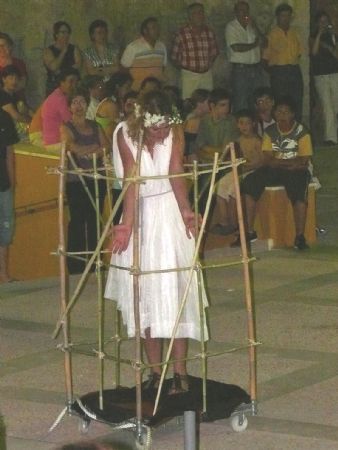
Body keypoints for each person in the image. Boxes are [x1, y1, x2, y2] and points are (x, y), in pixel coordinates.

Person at [104, 90, 208, 393]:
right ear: (142, 123)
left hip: (168, 213)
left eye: (165, 127)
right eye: (156, 129)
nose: (162, 133)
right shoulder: (125, 134)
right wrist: (126, 225)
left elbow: (176, 171)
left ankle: (179, 373)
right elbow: (132, 182)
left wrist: (186, 211)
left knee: (177, 291)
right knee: (144, 295)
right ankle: (153, 372)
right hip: (142, 213)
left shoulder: (175, 131)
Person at [240, 97, 312, 250]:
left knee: (299, 195)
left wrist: (283, 162)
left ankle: (299, 236)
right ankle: (249, 231)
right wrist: (288, 162)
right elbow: (267, 158)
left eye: (286, 112)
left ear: (293, 114)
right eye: (279, 111)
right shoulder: (270, 132)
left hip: (297, 171)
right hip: (276, 168)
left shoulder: (302, 132)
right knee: (249, 184)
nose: (282, 115)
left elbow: (303, 160)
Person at [60, 89, 108, 274]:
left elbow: (105, 147)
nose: (79, 106)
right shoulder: (66, 127)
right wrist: (92, 148)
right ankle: (76, 265)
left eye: (82, 101)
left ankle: (96, 261)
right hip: (76, 180)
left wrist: (91, 150)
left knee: (95, 219)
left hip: (97, 178)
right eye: (75, 102)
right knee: (78, 221)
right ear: (70, 106)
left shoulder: (96, 126)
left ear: (87, 104)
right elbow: (71, 146)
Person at [263, 3, 303, 121]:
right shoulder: (271, 34)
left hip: (294, 70)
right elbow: (264, 59)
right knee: (280, 103)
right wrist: (275, 73)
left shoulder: (295, 33)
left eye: (288, 16)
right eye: (282, 16)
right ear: (277, 17)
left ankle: (297, 133)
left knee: (296, 102)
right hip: (279, 72)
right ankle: (280, 132)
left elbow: (299, 53)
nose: (285, 19)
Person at [171, 2, 219, 99]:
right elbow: (174, 57)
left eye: (201, 12)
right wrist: (186, 70)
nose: (200, 15)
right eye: (196, 13)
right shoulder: (182, 34)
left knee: (208, 102)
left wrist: (208, 64)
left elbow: (214, 52)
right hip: (190, 75)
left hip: (206, 75)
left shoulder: (209, 32)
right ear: (190, 17)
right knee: (189, 102)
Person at [225, 1, 266, 112]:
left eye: (246, 10)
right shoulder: (231, 27)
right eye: (241, 10)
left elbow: (265, 43)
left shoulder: (251, 26)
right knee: (241, 101)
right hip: (241, 70)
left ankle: (256, 127)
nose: (244, 13)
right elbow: (237, 48)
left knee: (258, 101)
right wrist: (254, 44)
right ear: (235, 12)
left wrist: (255, 27)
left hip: (256, 69)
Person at [310, 10, 338, 146]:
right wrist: (320, 34)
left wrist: (334, 37)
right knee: (327, 106)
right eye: (321, 21)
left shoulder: (333, 36)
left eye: (325, 21)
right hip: (321, 75)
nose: (324, 24)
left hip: (334, 74)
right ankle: (331, 138)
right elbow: (314, 52)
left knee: (336, 105)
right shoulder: (313, 36)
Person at [121, 16, 167, 90]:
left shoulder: (161, 46)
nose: (157, 30)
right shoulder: (133, 47)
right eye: (153, 28)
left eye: (158, 27)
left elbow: (163, 67)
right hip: (138, 88)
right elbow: (124, 68)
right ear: (145, 31)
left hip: (156, 89)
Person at [0, 110, 19, 283]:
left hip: (3, 184)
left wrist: (12, 183)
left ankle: (3, 274)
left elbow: (9, 153)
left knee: (6, 230)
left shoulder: (4, 117)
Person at [41, 67, 79, 148]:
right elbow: (70, 121)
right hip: (55, 142)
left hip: (54, 141)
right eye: (71, 82)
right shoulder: (59, 99)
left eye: (76, 82)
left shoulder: (58, 95)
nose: (74, 85)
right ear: (62, 82)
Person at [43, 21, 82, 96]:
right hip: (54, 85)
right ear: (56, 34)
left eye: (67, 32)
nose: (66, 35)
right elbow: (53, 67)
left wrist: (61, 71)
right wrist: (63, 51)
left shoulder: (74, 49)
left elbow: (78, 65)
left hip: (72, 84)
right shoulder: (48, 51)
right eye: (63, 32)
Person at [95, 71, 133, 143]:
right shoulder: (110, 105)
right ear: (117, 87)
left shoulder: (117, 101)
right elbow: (120, 129)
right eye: (127, 87)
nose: (130, 90)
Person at [183, 88, 210, 162]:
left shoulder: (195, 118)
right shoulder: (194, 120)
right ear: (200, 103)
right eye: (208, 102)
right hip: (193, 158)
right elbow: (190, 144)